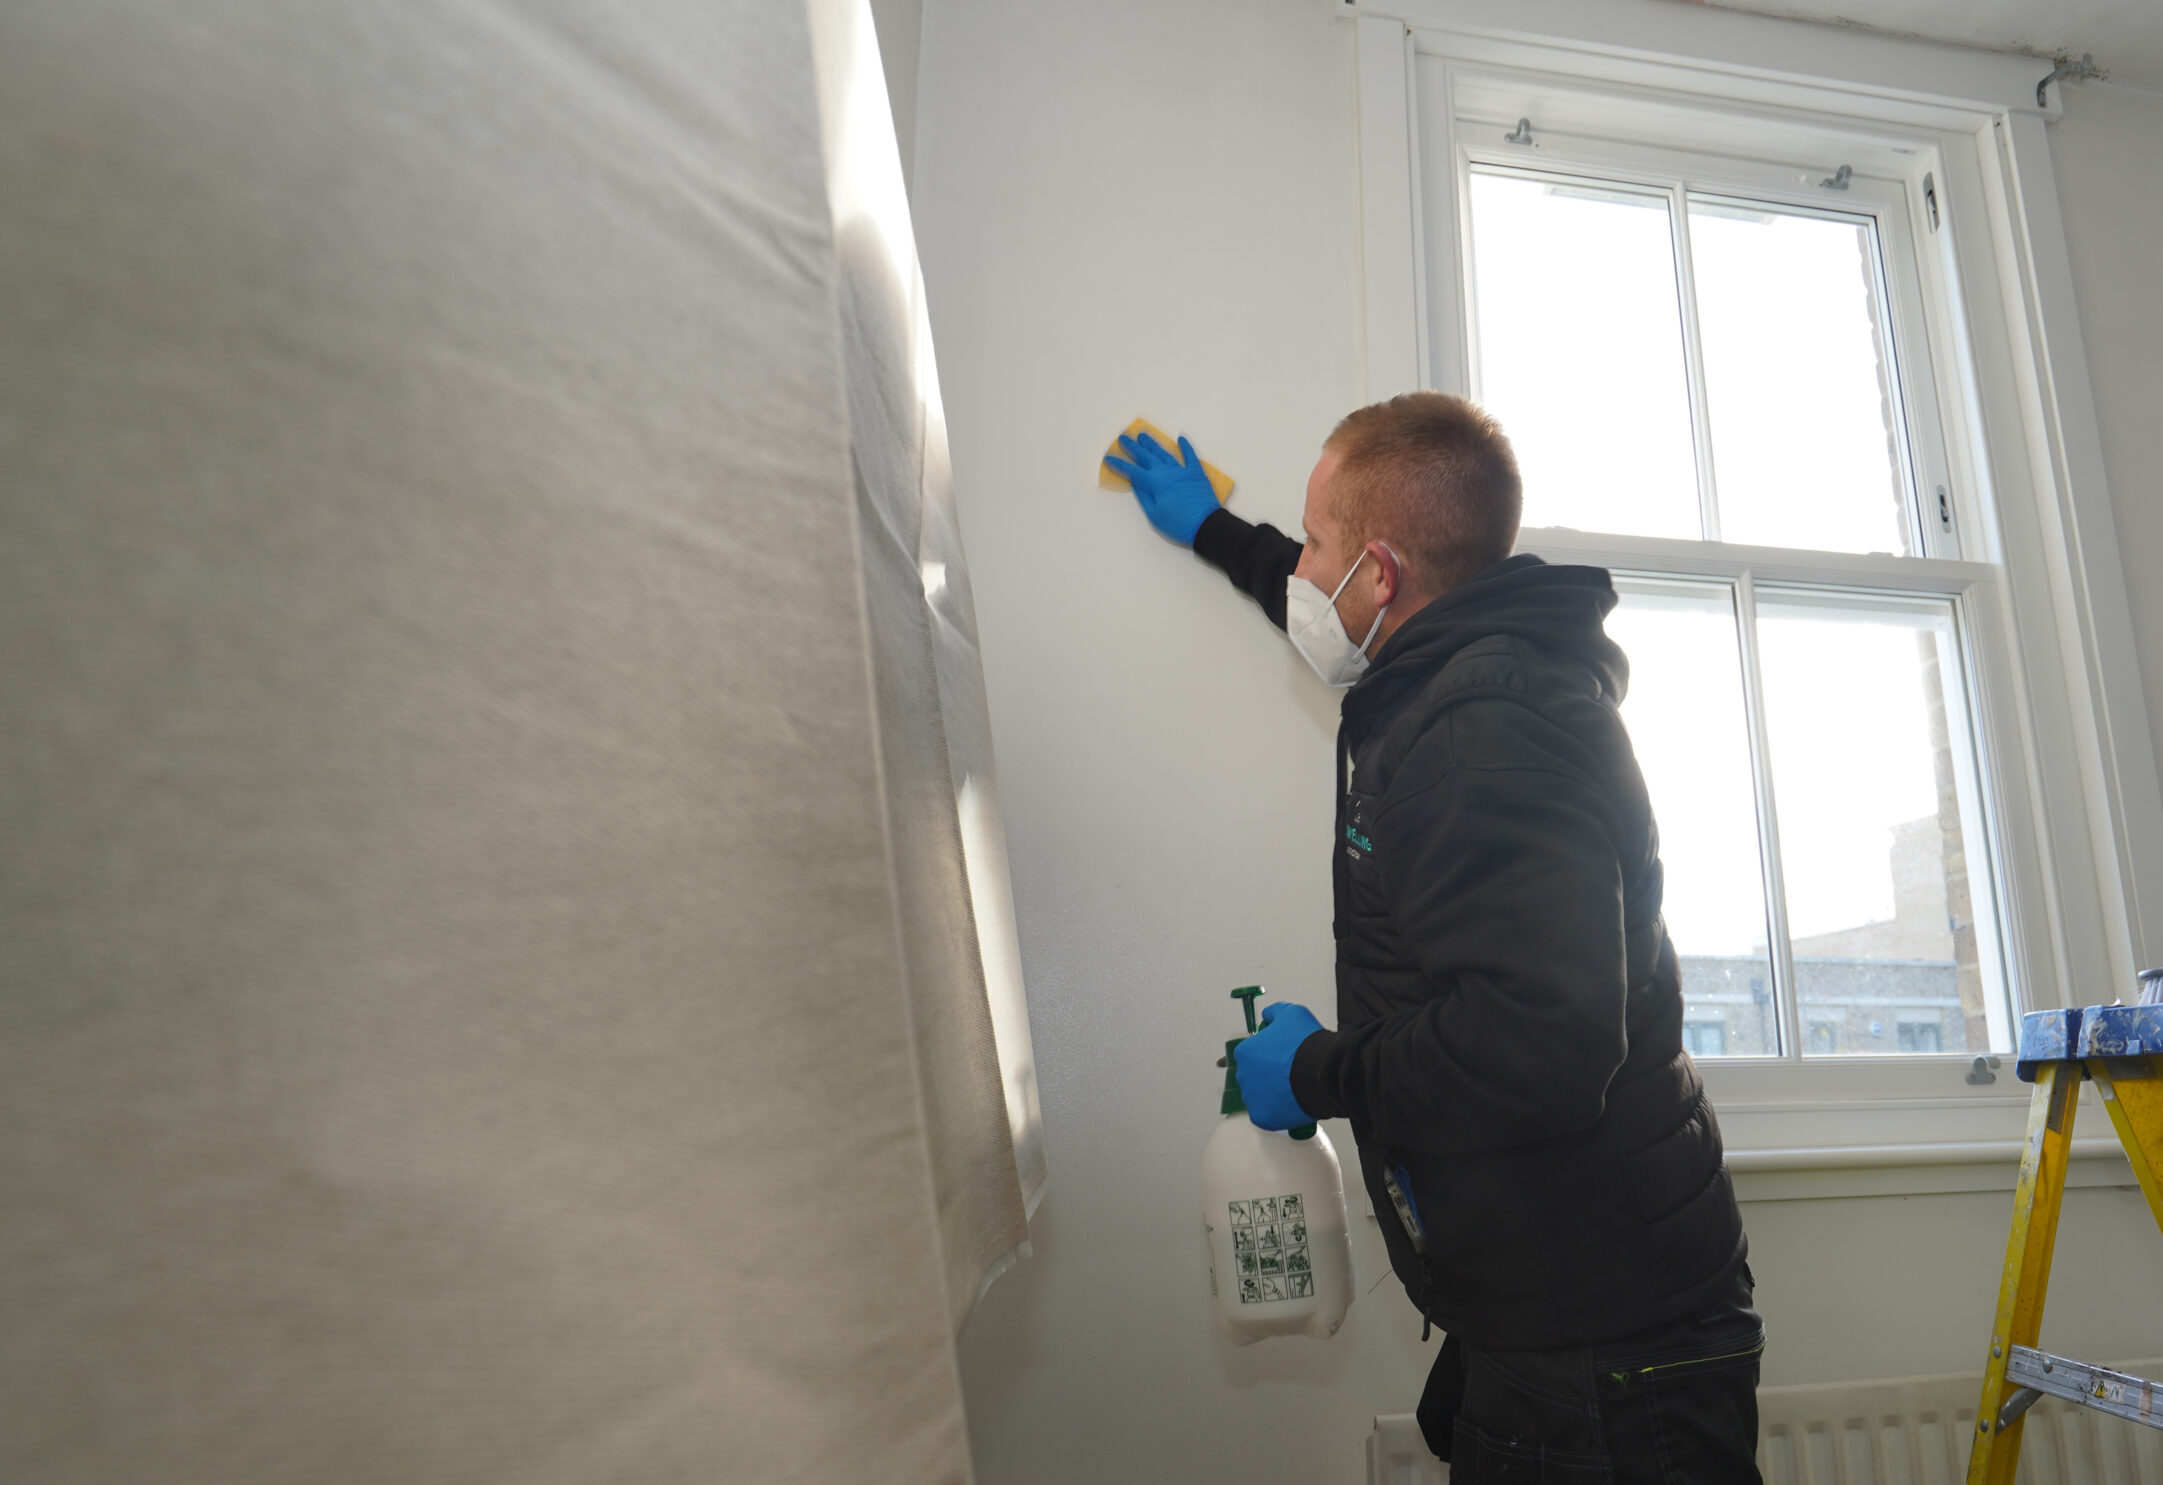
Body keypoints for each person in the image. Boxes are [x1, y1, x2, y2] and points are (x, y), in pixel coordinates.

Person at [1105, 393, 1763, 1483]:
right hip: (1563, 1296)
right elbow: (1323, 597)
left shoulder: (1482, 730)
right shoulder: (1460, 669)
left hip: (1603, 1343)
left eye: (1318, 543)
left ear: (1380, 575)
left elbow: (1539, 1043)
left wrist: (1314, 1070)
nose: (1304, 570)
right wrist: (1214, 530)